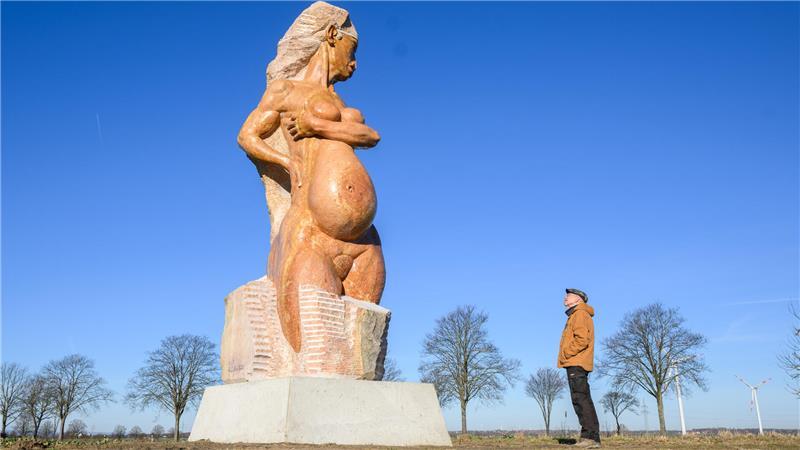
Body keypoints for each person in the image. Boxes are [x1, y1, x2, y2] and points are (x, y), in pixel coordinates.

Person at [558, 288, 601, 448]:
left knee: (580, 399)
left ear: (578, 300)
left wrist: (566, 353)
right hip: (576, 361)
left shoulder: (580, 314)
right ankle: (590, 437)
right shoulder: (576, 314)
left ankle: (590, 438)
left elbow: (582, 339)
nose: (565, 297)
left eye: (568, 296)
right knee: (581, 398)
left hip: (577, 361)